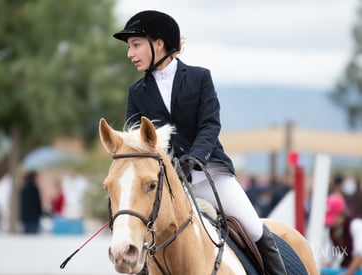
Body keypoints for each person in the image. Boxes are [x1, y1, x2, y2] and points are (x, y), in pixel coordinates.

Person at [113, 10, 287, 274]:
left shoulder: (199, 78)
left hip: (209, 176)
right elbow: (136, 141)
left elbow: (210, 125)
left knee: (254, 228)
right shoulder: (136, 92)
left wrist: (194, 158)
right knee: (138, 237)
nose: (130, 54)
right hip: (164, 185)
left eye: (136, 45)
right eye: (130, 47)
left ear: (158, 44)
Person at [324, 192, 362, 274]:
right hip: (345, 267)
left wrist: (348, 273)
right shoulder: (331, 231)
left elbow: (359, 256)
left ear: (342, 214)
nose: (330, 223)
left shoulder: (356, 225)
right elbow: (329, 257)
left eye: (333, 216)